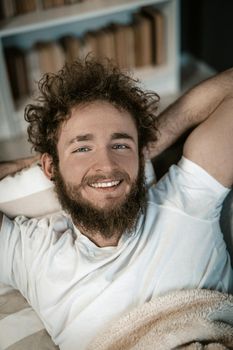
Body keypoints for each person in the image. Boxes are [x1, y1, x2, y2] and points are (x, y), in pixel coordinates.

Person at [0, 58, 232, 350]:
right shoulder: (29, 253)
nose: (106, 165)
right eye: (82, 148)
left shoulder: (187, 199)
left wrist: (149, 139)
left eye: (120, 145)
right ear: (50, 169)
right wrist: (33, 162)